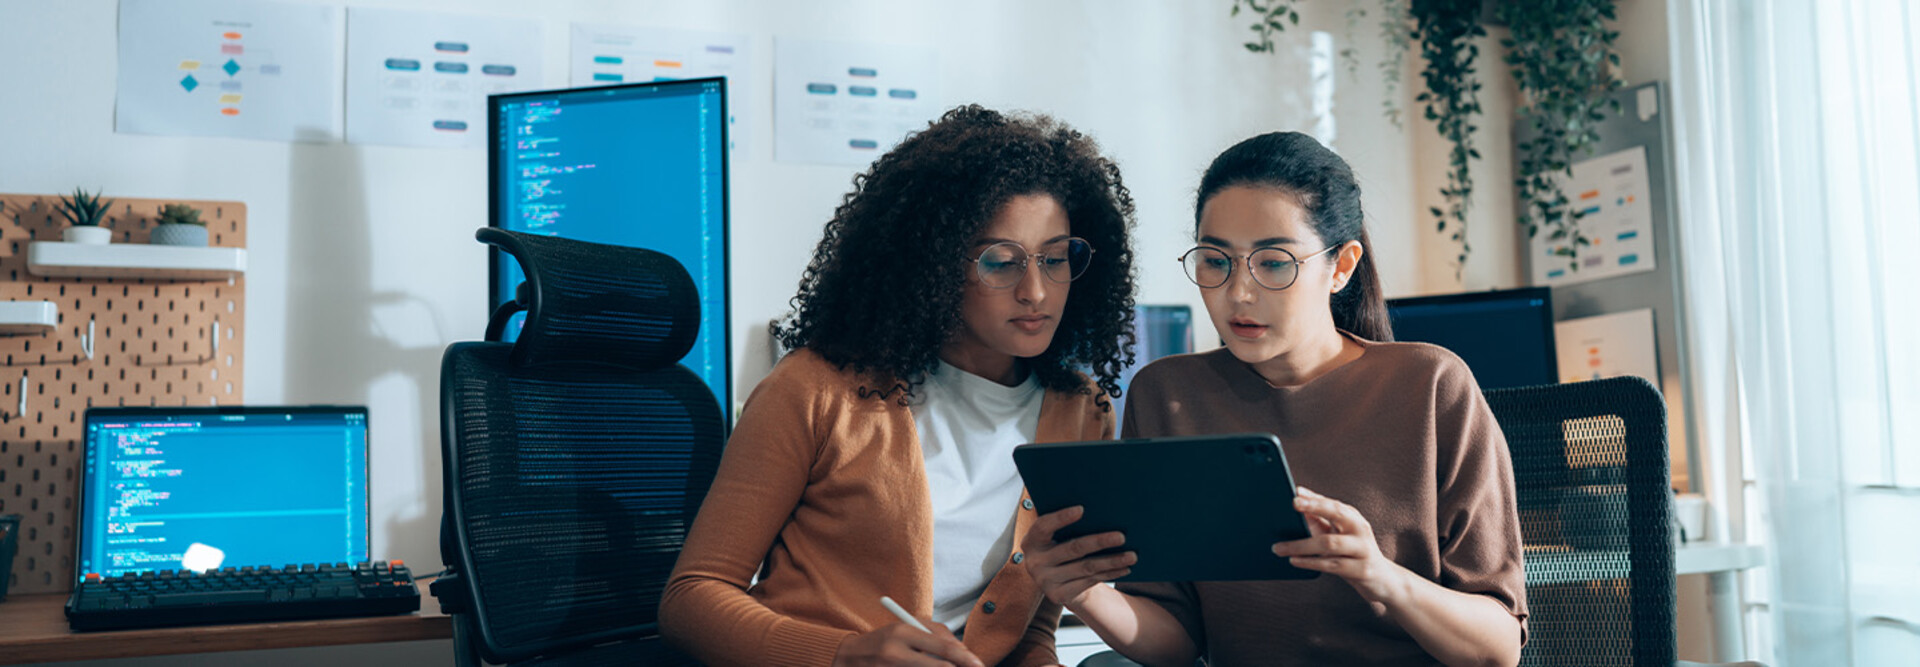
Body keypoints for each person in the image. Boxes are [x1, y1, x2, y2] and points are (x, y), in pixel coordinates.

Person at [1020, 131, 1527, 667]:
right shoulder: (1168, 394)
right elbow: (1176, 645)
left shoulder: (1431, 386)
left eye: (1274, 262)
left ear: (1342, 266)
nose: (1239, 292)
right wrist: (1082, 592)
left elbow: (1496, 650)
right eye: (1216, 261)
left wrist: (1378, 575)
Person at [660, 105, 1139, 667]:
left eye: (1056, 259)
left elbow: (1027, 630)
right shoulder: (815, 390)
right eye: (1000, 262)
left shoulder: (1082, 411)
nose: (1036, 290)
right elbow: (691, 599)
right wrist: (845, 656)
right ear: (931, 266)